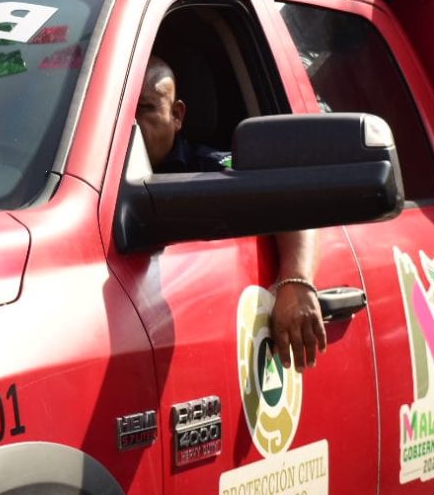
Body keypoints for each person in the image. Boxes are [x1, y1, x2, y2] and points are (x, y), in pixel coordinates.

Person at [135, 55, 325, 370]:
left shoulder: (209, 171)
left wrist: (296, 280)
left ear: (177, 115)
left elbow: (287, 196)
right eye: (120, 112)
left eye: (146, 108)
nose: (130, 123)